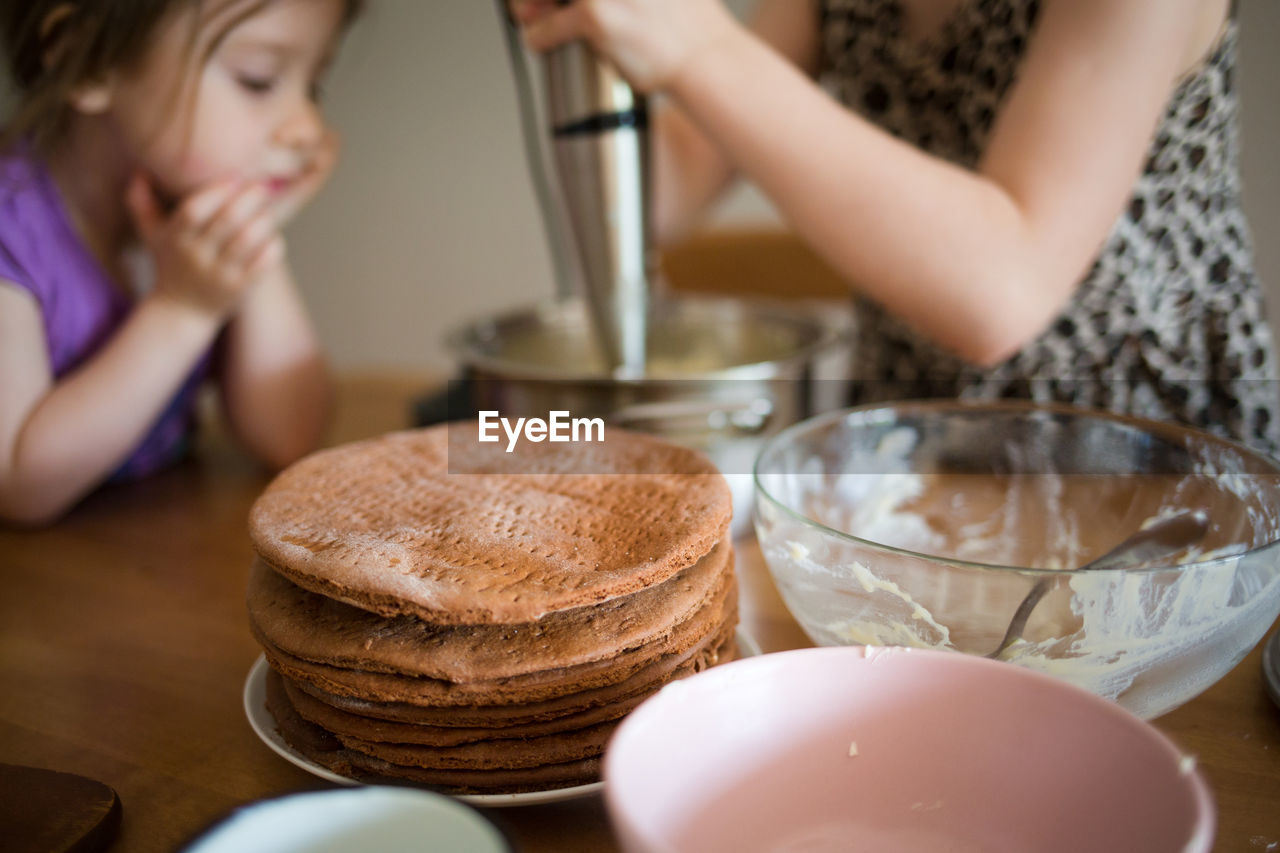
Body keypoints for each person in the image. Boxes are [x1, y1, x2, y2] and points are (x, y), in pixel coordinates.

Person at [511, 0, 1280, 457]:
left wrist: (704, 47)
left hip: (1151, 469)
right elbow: (664, 194)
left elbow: (1002, 288)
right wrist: (584, 37)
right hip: (918, 456)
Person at [0, 0, 362, 525]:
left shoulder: (183, 203)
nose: (308, 126)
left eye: (314, 86)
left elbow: (290, 435)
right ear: (85, 55)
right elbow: (17, 487)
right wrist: (182, 311)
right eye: (257, 80)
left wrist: (254, 234)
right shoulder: (13, 228)